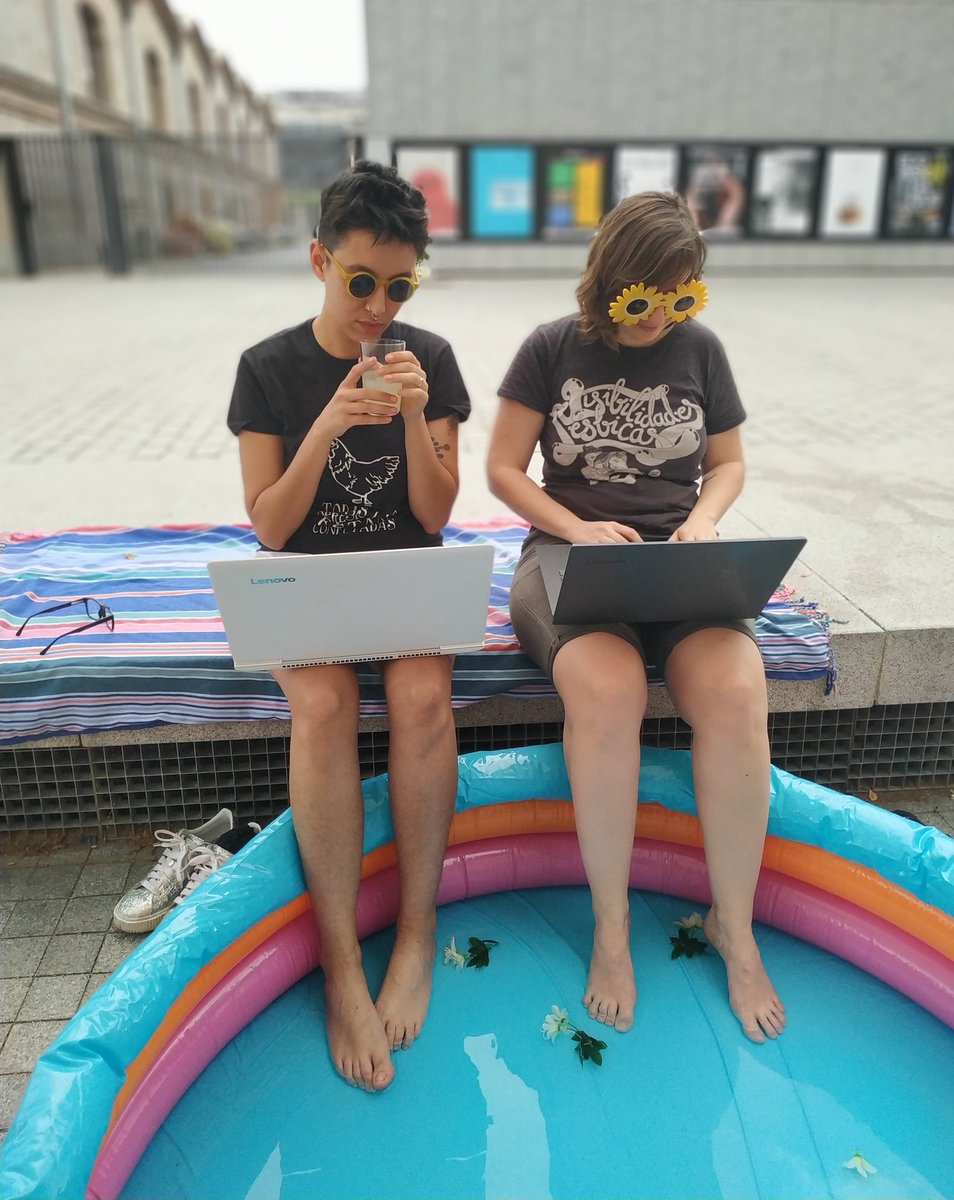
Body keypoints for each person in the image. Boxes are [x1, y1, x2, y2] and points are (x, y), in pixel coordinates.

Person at [486, 191, 786, 1043]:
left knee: (734, 691)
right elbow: (505, 470)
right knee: (610, 689)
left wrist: (703, 520)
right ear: (612, 281)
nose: (665, 314)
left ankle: (735, 923)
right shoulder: (552, 347)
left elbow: (727, 463)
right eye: (648, 296)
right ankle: (612, 931)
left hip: (677, 560)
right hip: (565, 558)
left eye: (684, 295)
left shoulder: (702, 348)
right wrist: (576, 525)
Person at [227, 160, 471, 1091]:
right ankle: (339, 961)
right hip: (306, 578)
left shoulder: (431, 359)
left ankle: (415, 932)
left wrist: (414, 416)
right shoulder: (270, 369)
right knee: (324, 706)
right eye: (361, 280)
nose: (378, 305)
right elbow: (270, 524)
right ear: (321, 260)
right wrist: (328, 422)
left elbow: (438, 512)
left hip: (403, 576)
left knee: (421, 694)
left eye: (400, 286)